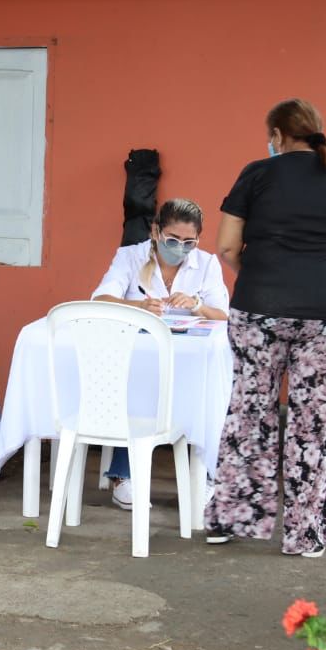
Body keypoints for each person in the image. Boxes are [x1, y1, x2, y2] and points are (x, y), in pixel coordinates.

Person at [205, 98, 326, 557]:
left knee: (250, 412)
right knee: (315, 425)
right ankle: (305, 536)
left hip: (258, 311)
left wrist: (260, 279)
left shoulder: (256, 174)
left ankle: (233, 520)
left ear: (278, 136)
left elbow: (226, 247)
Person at [91, 198, 230, 510]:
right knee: (137, 392)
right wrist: (138, 307)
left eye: (188, 242)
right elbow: (100, 299)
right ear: (155, 231)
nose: (179, 248)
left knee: (208, 392)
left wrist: (197, 305)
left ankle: (205, 475)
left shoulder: (205, 264)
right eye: (171, 239)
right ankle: (123, 475)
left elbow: (223, 315)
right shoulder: (131, 256)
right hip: (135, 363)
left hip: (187, 363)